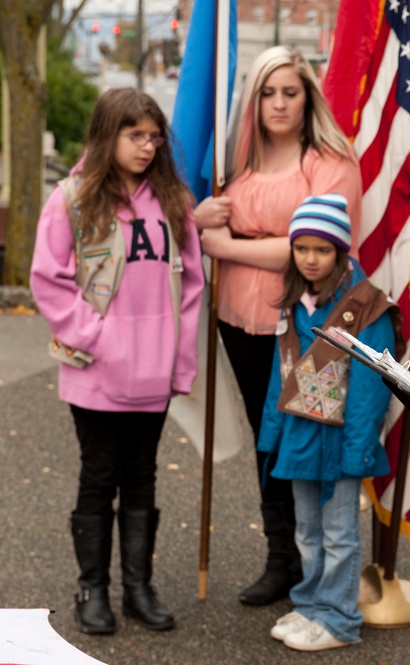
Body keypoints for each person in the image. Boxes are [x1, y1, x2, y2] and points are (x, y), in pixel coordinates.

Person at [30, 88, 204, 634]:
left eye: (154, 137)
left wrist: (179, 361)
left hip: (154, 374)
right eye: (135, 135)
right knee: (99, 475)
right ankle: (93, 590)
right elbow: (48, 279)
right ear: (109, 135)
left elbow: (191, 289)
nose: (147, 146)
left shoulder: (174, 202)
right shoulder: (73, 199)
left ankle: (138, 589)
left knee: (142, 476)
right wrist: (100, 338)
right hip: (95, 372)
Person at [194, 45, 363, 606]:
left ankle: (318, 569)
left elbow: (319, 246)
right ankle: (281, 559)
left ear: (308, 96)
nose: (279, 103)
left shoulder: (329, 160)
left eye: (290, 91)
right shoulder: (236, 161)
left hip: (305, 325)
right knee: (267, 438)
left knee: (307, 435)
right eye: (268, 92)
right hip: (237, 318)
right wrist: (204, 222)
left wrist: (226, 245)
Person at [256, 194, 397, 652]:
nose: (311, 259)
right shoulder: (294, 301)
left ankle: (339, 618)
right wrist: (270, 436)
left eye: (322, 249)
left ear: (340, 251)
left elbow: (370, 391)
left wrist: (358, 451)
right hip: (298, 437)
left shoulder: (367, 306)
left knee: (339, 535)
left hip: (339, 442)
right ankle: (311, 605)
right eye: (302, 248)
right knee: (306, 531)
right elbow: (280, 375)